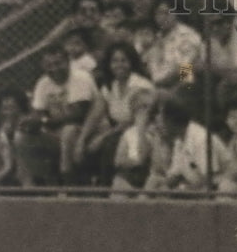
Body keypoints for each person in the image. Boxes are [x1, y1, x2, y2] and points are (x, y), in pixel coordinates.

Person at [13, 46, 97, 186]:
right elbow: (37, 113)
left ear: (68, 61)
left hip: (86, 132)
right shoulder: (43, 82)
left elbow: (77, 114)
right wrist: (31, 123)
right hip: (57, 133)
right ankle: (37, 184)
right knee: (21, 137)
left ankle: (68, 185)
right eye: (49, 65)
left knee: (68, 130)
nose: (54, 69)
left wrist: (43, 121)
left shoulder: (81, 77)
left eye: (58, 63)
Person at [78, 42, 155, 185]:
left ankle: (106, 189)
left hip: (142, 128)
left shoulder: (140, 85)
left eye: (123, 61)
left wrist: (104, 136)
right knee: (87, 144)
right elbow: (95, 114)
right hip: (121, 129)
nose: (119, 65)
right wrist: (81, 140)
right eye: (114, 61)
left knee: (109, 143)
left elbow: (186, 71)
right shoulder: (110, 85)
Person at [144, 95, 227, 192]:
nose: (158, 125)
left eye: (161, 121)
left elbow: (209, 182)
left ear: (171, 120)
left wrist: (182, 189)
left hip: (217, 192)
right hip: (194, 189)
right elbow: (175, 176)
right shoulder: (179, 139)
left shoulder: (201, 139)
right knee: (153, 180)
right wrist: (161, 182)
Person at [143, 0, 205, 88]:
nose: (162, 18)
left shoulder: (187, 36)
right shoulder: (156, 38)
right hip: (156, 86)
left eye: (166, 13)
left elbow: (186, 71)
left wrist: (174, 91)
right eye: (158, 13)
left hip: (180, 87)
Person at [111, 89, 157, 192]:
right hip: (128, 175)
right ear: (134, 111)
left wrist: (141, 130)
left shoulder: (156, 133)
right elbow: (118, 161)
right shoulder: (129, 133)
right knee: (119, 182)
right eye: (143, 107)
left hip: (147, 176)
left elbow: (143, 157)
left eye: (151, 107)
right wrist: (135, 163)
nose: (148, 111)